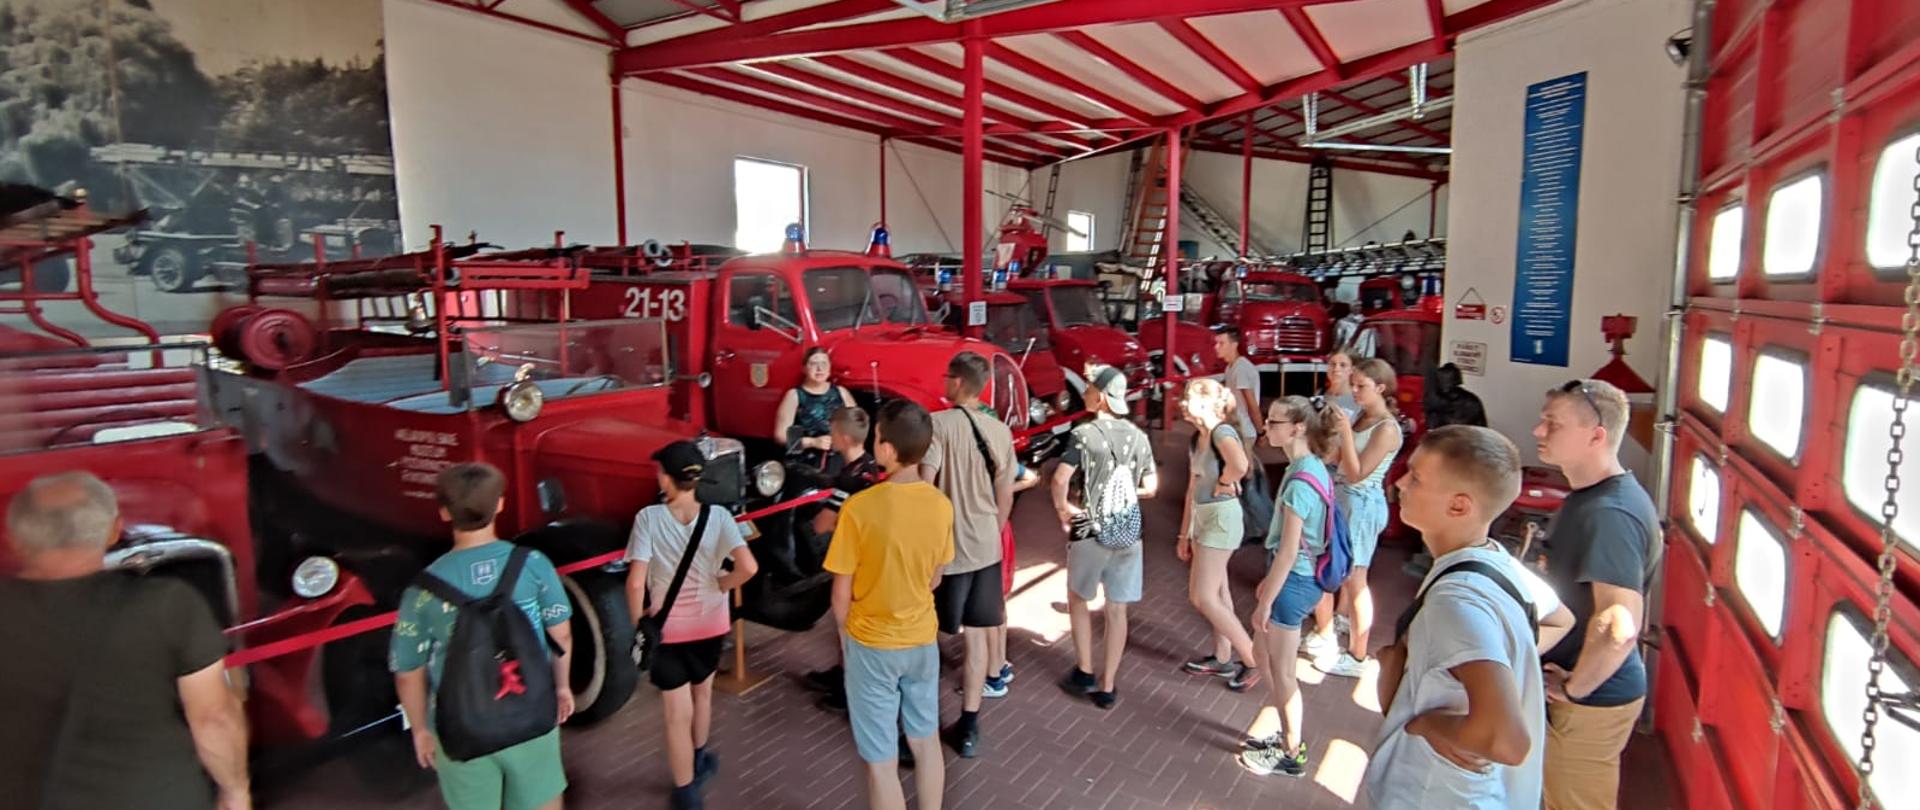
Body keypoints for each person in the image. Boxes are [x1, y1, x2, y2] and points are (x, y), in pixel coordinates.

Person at [0, 472, 251, 810]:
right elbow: (213, 718)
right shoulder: (169, 604)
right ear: (114, 531)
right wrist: (236, 790)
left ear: (14, 538)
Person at [1366, 426, 1576, 808]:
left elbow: (1506, 741)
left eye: (1416, 477)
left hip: (1438, 794)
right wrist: (1500, 667)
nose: (1399, 483)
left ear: (1459, 506)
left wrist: (1430, 724)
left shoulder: (1455, 602)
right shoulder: (1497, 561)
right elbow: (1560, 619)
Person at [391, 463, 574, 810]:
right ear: (500, 504)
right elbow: (561, 634)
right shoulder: (533, 563)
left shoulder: (422, 590)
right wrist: (562, 687)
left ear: (445, 512)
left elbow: (407, 672)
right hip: (531, 710)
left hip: (460, 724)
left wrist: (420, 729)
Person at [1531, 380, 1660, 810]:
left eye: (1553, 423)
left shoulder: (1611, 513)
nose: (1538, 431)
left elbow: (1618, 626)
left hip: (1593, 698)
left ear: (1596, 435)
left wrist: (1576, 689)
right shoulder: (1591, 499)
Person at [826, 400, 953, 810]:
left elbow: (840, 593)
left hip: (871, 645)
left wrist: (845, 639)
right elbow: (935, 577)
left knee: (881, 761)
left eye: (877, 437)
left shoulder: (859, 508)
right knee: (926, 742)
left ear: (887, 449)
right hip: (922, 641)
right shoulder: (940, 505)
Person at [625, 441, 760, 810]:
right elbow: (749, 567)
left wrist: (639, 623)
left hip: (667, 631)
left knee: (675, 714)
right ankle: (699, 758)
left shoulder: (648, 519)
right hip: (711, 626)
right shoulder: (719, 517)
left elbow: (635, 583)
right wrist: (723, 584)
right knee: (703, 694)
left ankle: (685, 791)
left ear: (667, 479)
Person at [919, 352, 1016, 757]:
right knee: (977, 637)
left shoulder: (937, 425)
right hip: (985, 547)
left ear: (957, 382)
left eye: (947, 376)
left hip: (948, 547)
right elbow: (1006, 493)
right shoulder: (1000, 431)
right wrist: (991, 531)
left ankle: (920, 720)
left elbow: (926, 486)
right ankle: (970, 726)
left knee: (927, 634)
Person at [1050, 364, 1158, 709]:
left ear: (1100, 397)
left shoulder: (1084, 434)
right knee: (1117, 608)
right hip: (1128, 528)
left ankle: (1084, 670)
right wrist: (1121, 494)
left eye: (1089, 389)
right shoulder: (1138, 437)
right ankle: (1108, 685)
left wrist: (1063, 509)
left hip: (1089, 523)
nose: (1084, 393)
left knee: (1078, 597)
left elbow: (1060, 478)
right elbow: (1151, 486)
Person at [1238, 396, 1336, 777]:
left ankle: (1291, 751)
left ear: (1298, 428)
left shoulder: (1299, 483)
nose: (1267, 427)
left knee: (1283, 673)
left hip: (1294, 582)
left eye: (1274, 422)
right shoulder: (1312, 468)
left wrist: (1267, 599)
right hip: (1298, 578)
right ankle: (1286, 734)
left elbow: (1289, 551)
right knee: (1264, 655)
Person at [1307, 358, 1404, 678]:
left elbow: (1358, 473)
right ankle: (1337, 627)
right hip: (1344, 497)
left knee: (1356, 580)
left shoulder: (1386, 428)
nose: (1355, 391)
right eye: (1353, 385)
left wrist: (1346, 433)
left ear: (1381, 388)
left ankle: (1358, 655)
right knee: (1340, 568)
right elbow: (1337, 458)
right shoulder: (1362, 417)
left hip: (1362, 502)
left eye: (1361, 386)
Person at [1177, 378, 1262, 692]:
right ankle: (1223, 657)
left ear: (1206, 403)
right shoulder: (1198, 438)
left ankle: (1253, 658)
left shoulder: (1221, 432)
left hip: (1220, 519)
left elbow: (1240, 464)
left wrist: (1225, 481)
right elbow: (1192, 487)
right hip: (1204, 517)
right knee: (1219, 591)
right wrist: (1184, 534)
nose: (1182, 403)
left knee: (1202, 596)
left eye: (1189, 397)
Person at [804, 406, 886, 713]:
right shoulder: (871, 466)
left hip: (852, 559)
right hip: (870, 553)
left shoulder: (848, 479)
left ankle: (849, 688)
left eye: (834, 431)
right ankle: (842, 673)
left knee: (846, 624)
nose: (831, 435)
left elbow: (822, 525)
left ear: (845, 438)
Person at [774, 347, 857, 469]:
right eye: (813, 363)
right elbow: (781, 436)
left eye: (824, 363)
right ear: (804, 368)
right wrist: (813, 442)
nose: (819, 368)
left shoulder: (841, 392)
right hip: (806, 463)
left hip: (839, 459)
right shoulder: (794, 395)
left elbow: (857, 426)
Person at [1214, 327, 1261, 440]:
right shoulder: (1230, 367)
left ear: (1234, 345)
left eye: (1221, 343)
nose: (1216, 347)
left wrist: (1261, 432)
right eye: (1216, 343)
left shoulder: (1241, 368)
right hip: (1236, 429)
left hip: (1244, 431)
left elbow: (1252, 404)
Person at [1426, 363, 1489, 429]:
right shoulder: (1435, 400)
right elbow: (1431, 425)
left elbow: (1481, 428)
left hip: (1465, 434)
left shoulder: (1471, 402)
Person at [1320, 348, 1360, 420]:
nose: (1336, 369)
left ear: (1352, 369)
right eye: (1333, 364)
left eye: (1342, 365)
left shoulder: (1358, 398)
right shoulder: (1320, 393)